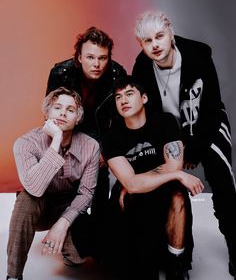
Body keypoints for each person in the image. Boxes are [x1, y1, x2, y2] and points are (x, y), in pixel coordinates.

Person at [132, 10, 236, 278]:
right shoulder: (142, 66)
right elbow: (147, 118)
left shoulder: (199, 55)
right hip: (167, 133)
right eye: (147, 41)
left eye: (159, 36)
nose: (155, 45)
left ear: (171, 33)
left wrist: (195, 150)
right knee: (167, 187)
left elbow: (212, 107)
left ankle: (235, 245)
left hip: (205, 125)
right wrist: (173, 153)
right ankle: (179, 258)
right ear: (140, 44)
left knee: (223, 181)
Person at [99, 75, 204, 280]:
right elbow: (131, 184)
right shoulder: (112, 136)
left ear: (144, 98)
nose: (124, 101)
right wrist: (176, 174)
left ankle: (176, 264)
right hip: (132, 199)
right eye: (118, 97)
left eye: (130, 94)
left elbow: (173, 163)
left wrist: (138, 181)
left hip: (163, 189)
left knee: (178, 197)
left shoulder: (164, 122)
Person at [6, 87, 100, 280]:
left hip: (68, 206)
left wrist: (63, 224)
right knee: (26, 199)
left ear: (78, 119)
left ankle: (68, 251)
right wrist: (56, 140)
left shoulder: (91, 146)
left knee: (79, 256)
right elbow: (34, 187)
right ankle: (13, 276)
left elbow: (86, 194)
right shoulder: (26, 143)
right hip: (39, 204)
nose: (63, 113)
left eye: (70, 110)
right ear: (47, 113)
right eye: (57, 108)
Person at [46, 26, 126, 218]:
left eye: (102, 58)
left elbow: (121, 120)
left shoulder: (117, 74)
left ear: (109, 58)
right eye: (90, 57)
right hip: (69, 132)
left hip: (101, 136)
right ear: (79, 57)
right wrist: (65, 145)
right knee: (66, 188)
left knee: (99, 187)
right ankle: (67, 218)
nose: (97, 64)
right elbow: (52, 115)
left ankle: (98, 226)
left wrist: (104, 150)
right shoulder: (61, 73)